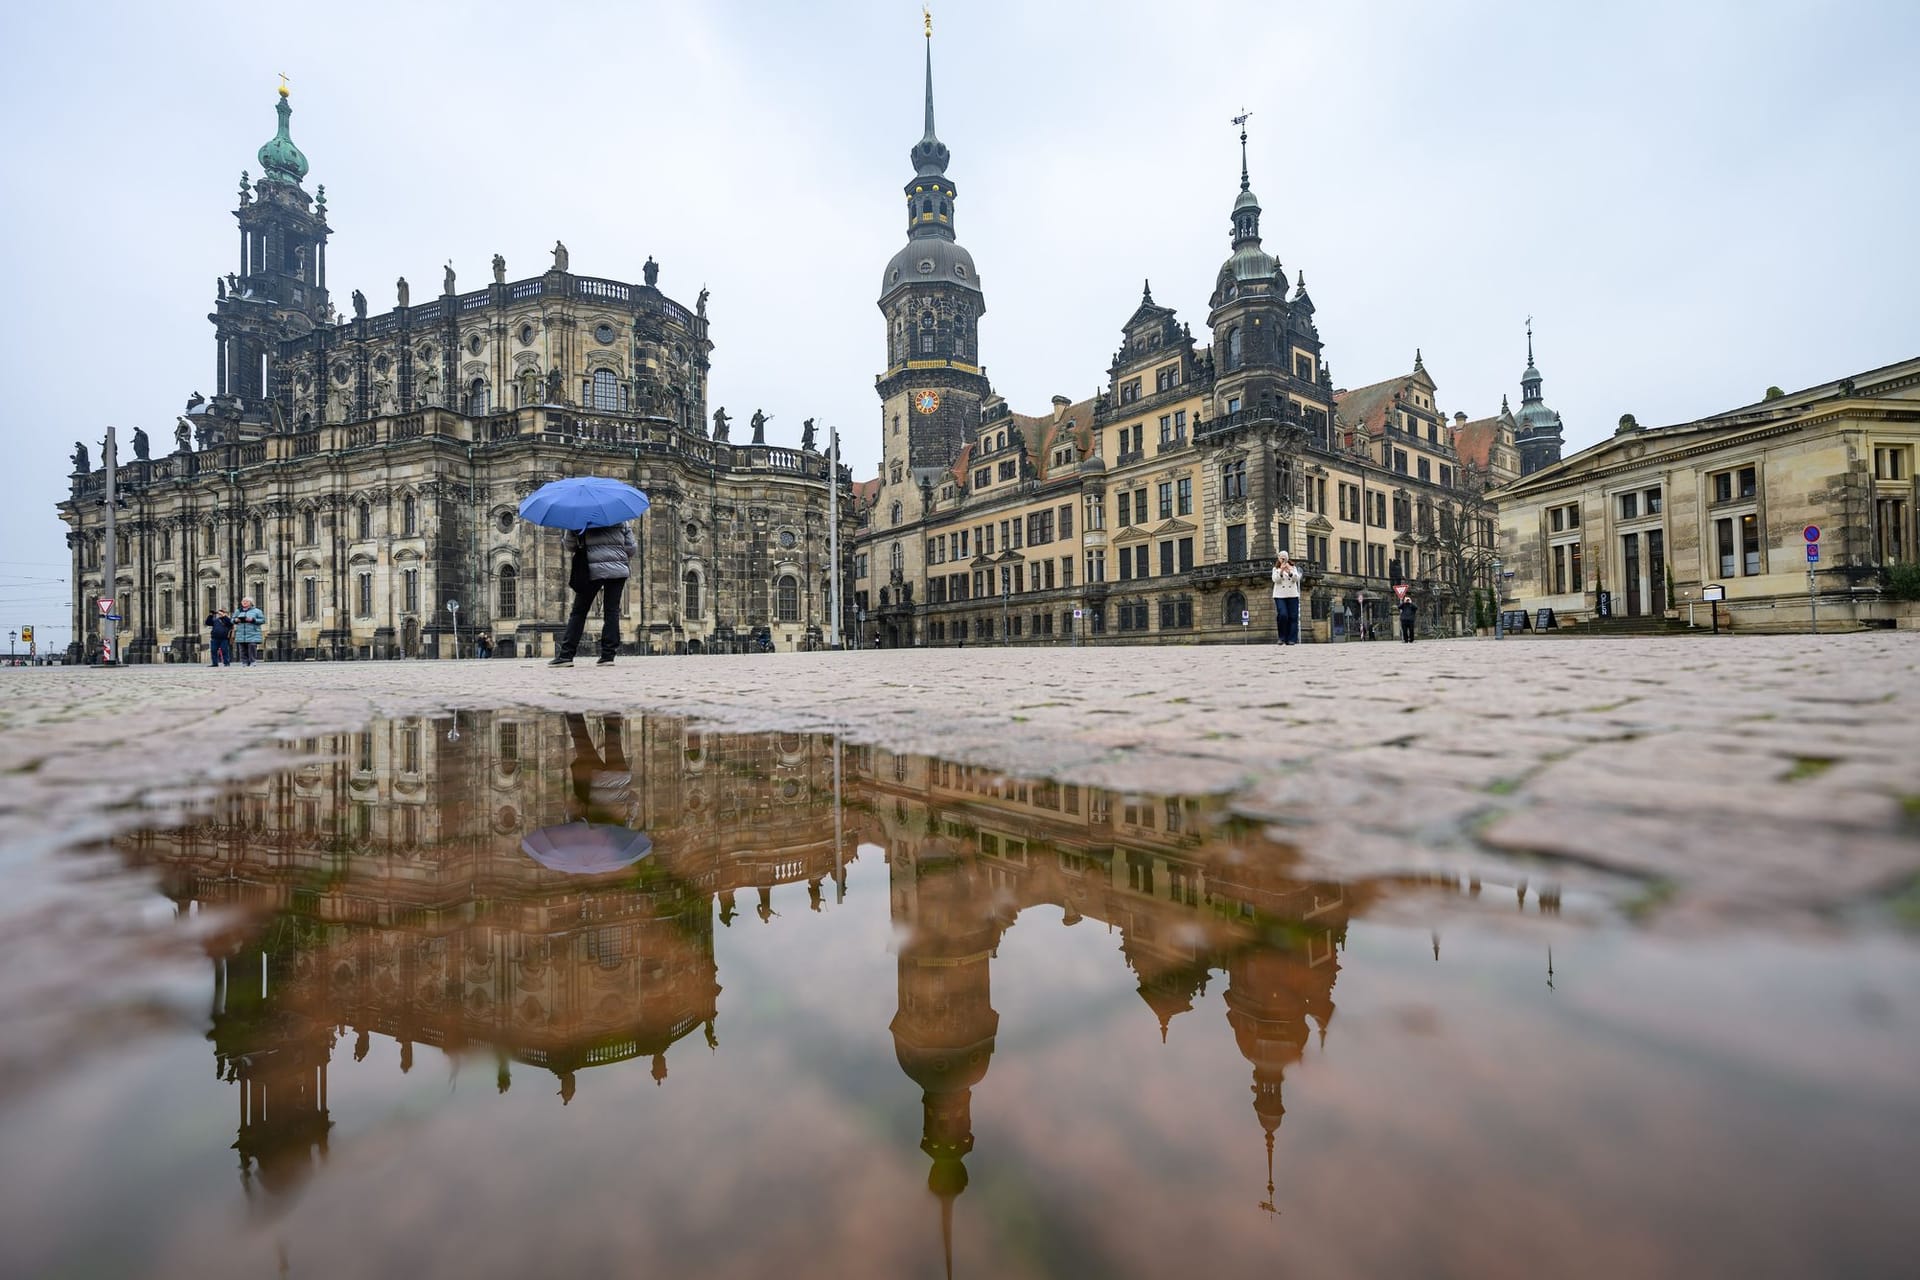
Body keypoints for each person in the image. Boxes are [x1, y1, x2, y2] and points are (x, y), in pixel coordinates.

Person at [551, 521, 637, 667]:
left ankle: (566, 655)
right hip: (617, 570)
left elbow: (570, 546)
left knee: (579, 612)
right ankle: (608, 656)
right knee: (612, 611)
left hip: (590, 569)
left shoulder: (578, 519)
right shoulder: (620, 518)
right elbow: (631, 548)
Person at [1270, 552, 1302, 645]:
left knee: (1293, 617)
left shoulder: (1293, 568)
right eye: (1281, 558)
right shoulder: (1275, 569)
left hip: (1292, 594)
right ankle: (1282, 637)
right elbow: (1275, 579)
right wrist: (1281, 571)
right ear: (1278, 558)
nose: (1283, 559)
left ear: (1287, 558)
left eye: (1285, 558)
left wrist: (1289, 572)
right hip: (1280, 595)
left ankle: (1291, 639)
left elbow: (1297, 579)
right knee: (1283, 615)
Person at [232, 597, 265, 666]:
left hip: (253, 632)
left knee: (252, 646)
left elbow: (262, 620)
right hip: (241, 632)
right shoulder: (238, 611)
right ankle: (245, 662)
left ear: (251, 603)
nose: (244, 602)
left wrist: (253, 620)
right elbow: (232, 620)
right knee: (242, 648)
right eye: (243, 601)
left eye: (246, 601)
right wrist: (236, 620)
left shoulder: (257, 611)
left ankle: (253, 661)